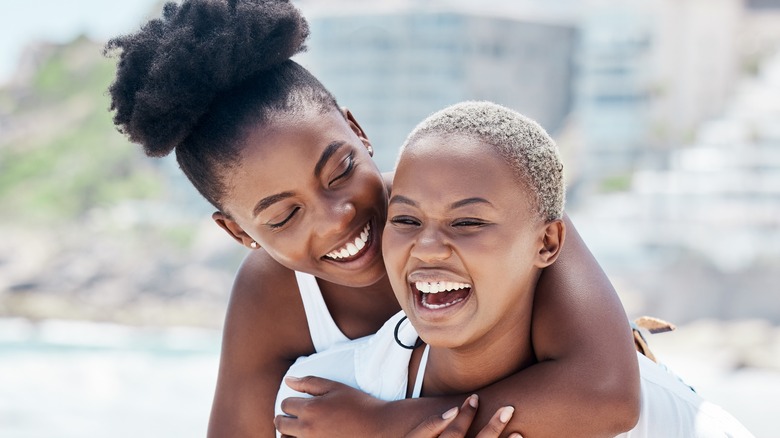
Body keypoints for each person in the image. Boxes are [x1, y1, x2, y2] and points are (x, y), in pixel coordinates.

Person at [104, 0, 640, 436]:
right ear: (240, 233)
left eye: (339, 172)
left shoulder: (481, 205)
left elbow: (609, 396)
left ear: (358, 131)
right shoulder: (274, 295)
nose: (336, 217)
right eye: (285, 215)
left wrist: (382, 425)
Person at [276, 101, 755, 438]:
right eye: (405, 219)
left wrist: (389, 427)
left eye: (467, 222)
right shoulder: (320, 402)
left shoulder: (677, 422)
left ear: (547, 243)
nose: (427, 248)